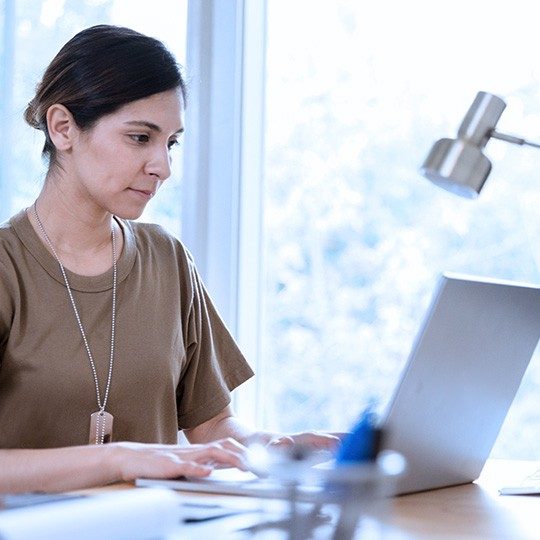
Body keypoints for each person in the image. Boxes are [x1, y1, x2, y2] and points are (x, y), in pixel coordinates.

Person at [0, 25, 339, 493]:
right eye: (141, 137)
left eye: (171, 142)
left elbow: (212, 427)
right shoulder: (6, 268)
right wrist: (122, 459)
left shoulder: (167, 259)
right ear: (63, 128)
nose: (162, 165)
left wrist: (269, 447)